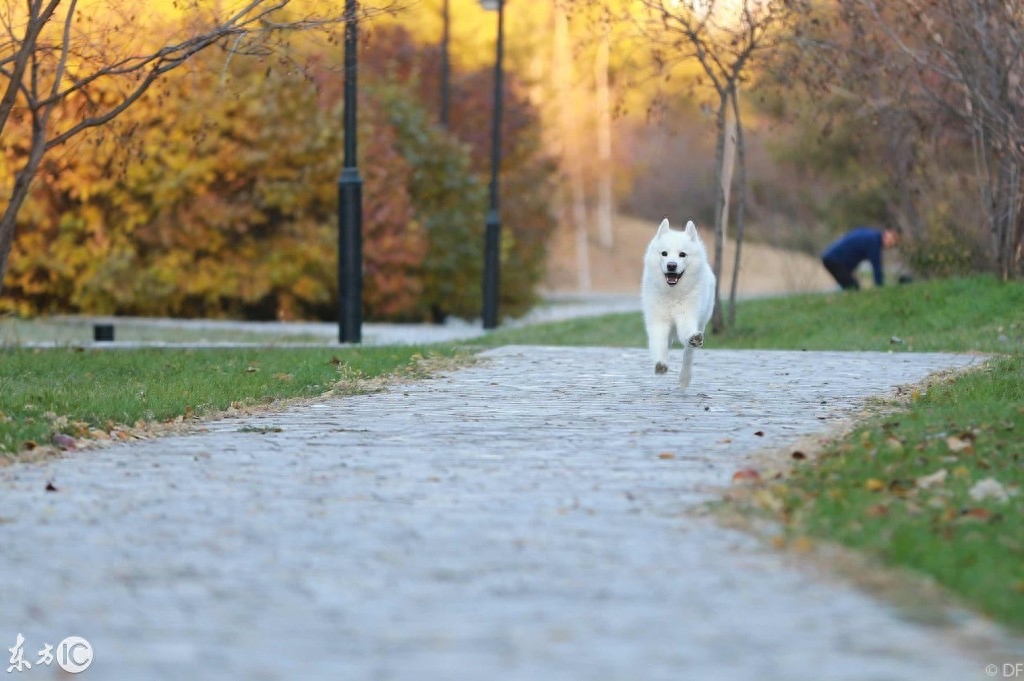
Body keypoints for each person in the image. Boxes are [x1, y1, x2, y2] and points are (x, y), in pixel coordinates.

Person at [821, 226, 900, 290]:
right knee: (853, 287)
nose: (891, 244)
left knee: (849, 285)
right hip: (834, 260)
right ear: (886, 233)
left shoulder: (871, 235)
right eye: (891, 240)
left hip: (832, 259)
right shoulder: (874, 242)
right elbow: (876, 267)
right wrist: (880, 288)